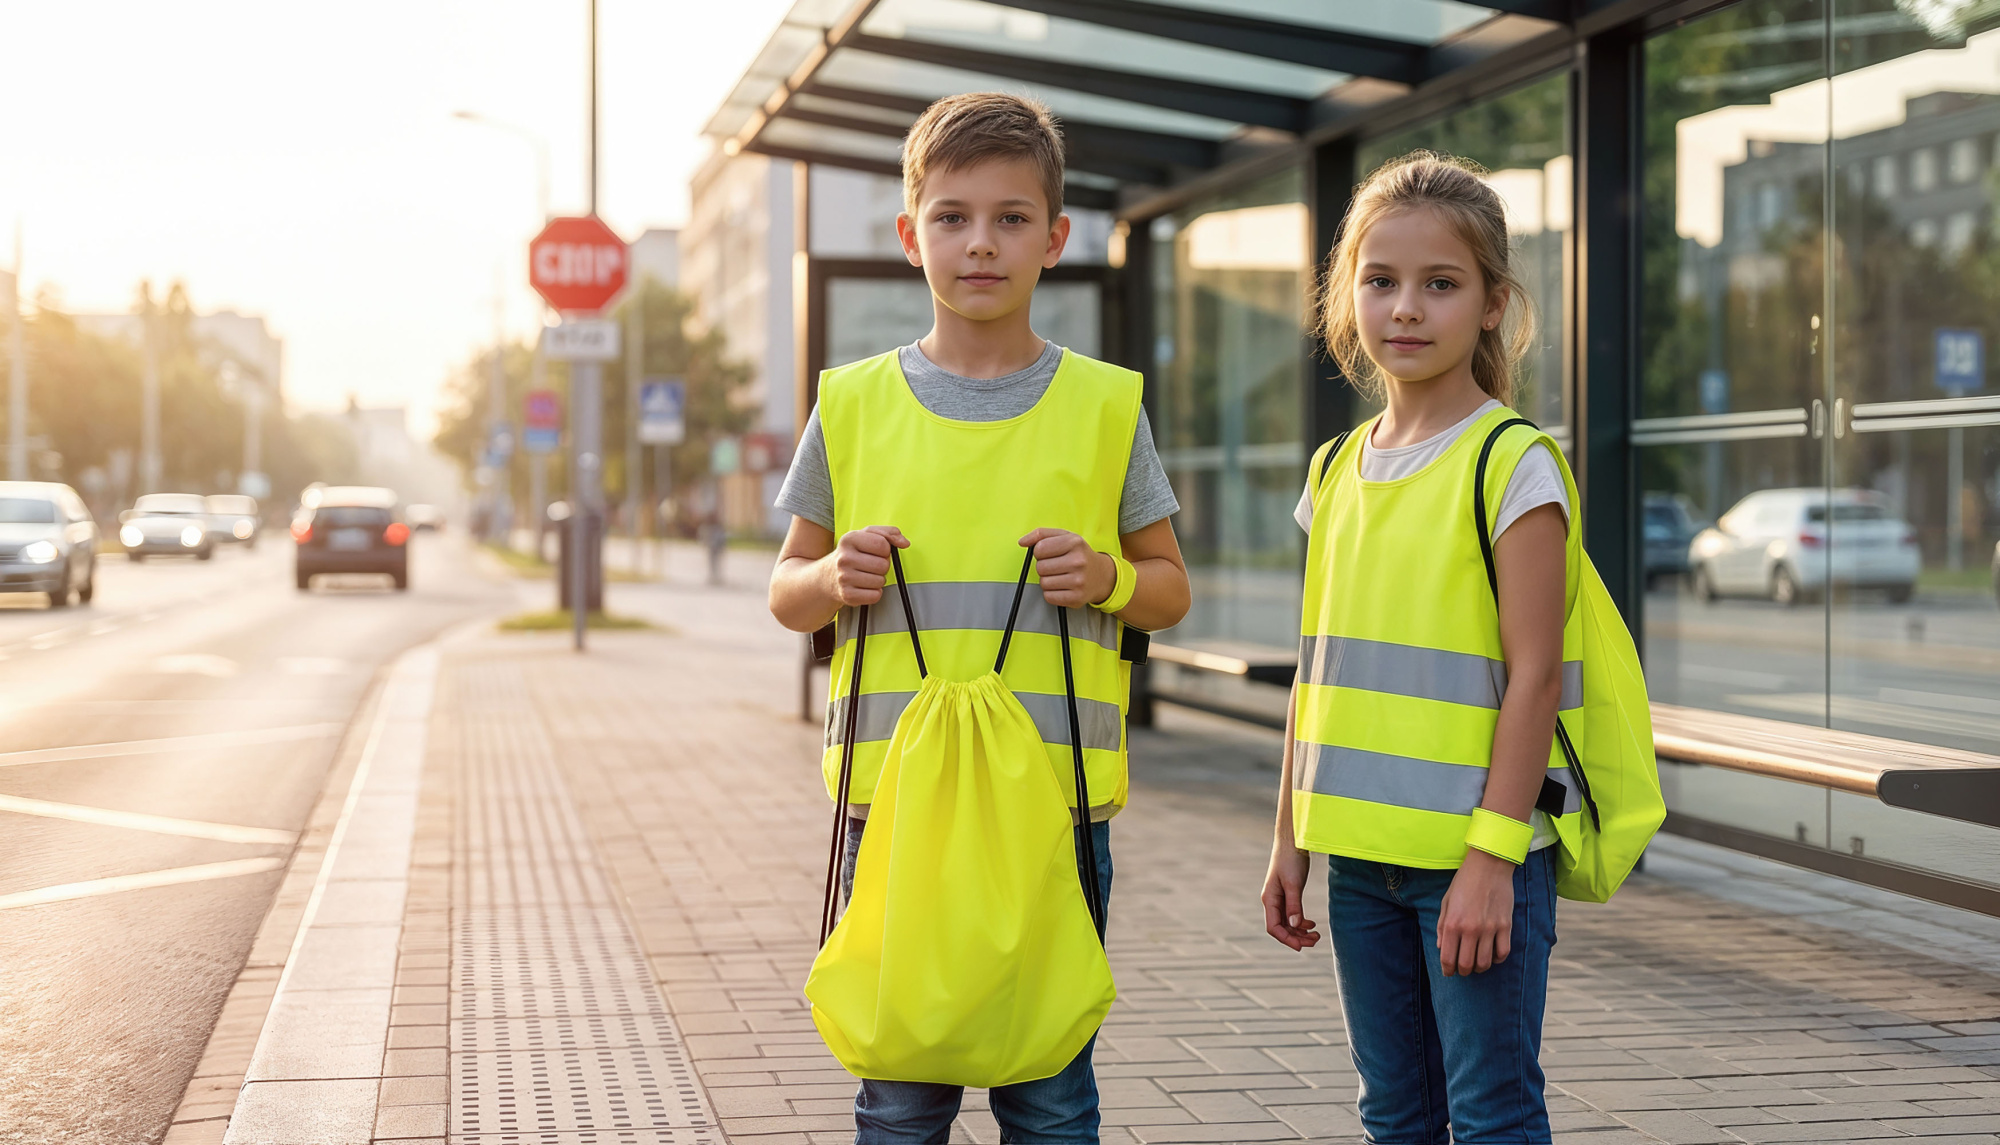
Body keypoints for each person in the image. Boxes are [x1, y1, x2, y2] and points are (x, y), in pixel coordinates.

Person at [768, 92, 1191, 1143]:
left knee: (1049, 1093)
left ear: (1055, 239)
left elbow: (1169, 587)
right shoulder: (851, 403)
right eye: (952, 217)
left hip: (1055, 806)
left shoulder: (1104, 407)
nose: (980, 243)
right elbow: (784, 590)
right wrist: (830, 577)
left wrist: (1107, 576)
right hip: (891, 806)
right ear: (911, 236)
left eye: (1011, 218)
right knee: (899, 1092)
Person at [1261, 151, 1574, 1143]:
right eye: (1380, 280)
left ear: (1491, 304)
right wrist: (1289, 835)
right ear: (1345, 296)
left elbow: (1534, 679)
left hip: (1469, 858)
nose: (1404, 307)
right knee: (1394, 1114)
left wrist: (1490, 859)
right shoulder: (1333, 469)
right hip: (1359, 859)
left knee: (1489, 1116)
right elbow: (1317, 673)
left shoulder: (1512, 463)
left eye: (1440, 283)